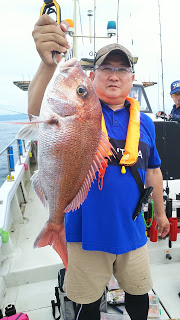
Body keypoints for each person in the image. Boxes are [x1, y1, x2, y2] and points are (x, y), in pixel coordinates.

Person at [29, 15, 170, 320]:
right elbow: (38, 108)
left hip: (132, 229)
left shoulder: (144, 122)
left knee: (138, 293)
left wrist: (159, 213)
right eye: (106, 68)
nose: (114, 75)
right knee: (88, 303)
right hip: (84, 233)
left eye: (122, 69)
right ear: (92, 78)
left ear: (132, 78)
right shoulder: (84, 113)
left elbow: (154, 171)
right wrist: (46, 64)